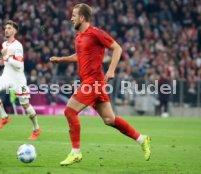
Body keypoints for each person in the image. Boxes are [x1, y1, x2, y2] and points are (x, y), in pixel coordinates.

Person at [50, 3, 151, 166]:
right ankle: (142, 139)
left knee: (69, 111)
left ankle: (75, 153)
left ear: (82, 18)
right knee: (110, 119)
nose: (71, 18)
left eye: (74, 15)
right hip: (91, 83)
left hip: (94, 82)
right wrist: (61, 59)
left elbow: (117, 48)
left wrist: (111, 70)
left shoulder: (95, 33)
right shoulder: (79, 37)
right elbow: (80, 56)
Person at [0, 20, 41, 140]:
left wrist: (6, 57)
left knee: (25, 105)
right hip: (6, 76)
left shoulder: (18, 46)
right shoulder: (4, 44)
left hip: (18, 80)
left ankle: (36, 129)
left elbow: (19, 66)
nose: (6, 30)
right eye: (5, 28)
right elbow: (4, 61)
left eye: (10, 28)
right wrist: (2, 61)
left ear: (15, 31)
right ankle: (5, 117)